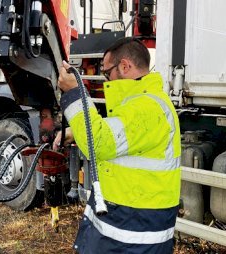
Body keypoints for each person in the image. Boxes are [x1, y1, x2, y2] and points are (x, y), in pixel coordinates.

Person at [55, 37, 181, 253]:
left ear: (125, 66)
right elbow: (119, 136)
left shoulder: (147, 107)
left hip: (135, 233)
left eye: (107, 73)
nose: (106, 80)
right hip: (126, 223)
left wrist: (75, 94)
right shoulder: (138, 104)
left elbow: (98, 143)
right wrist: (74, 131)